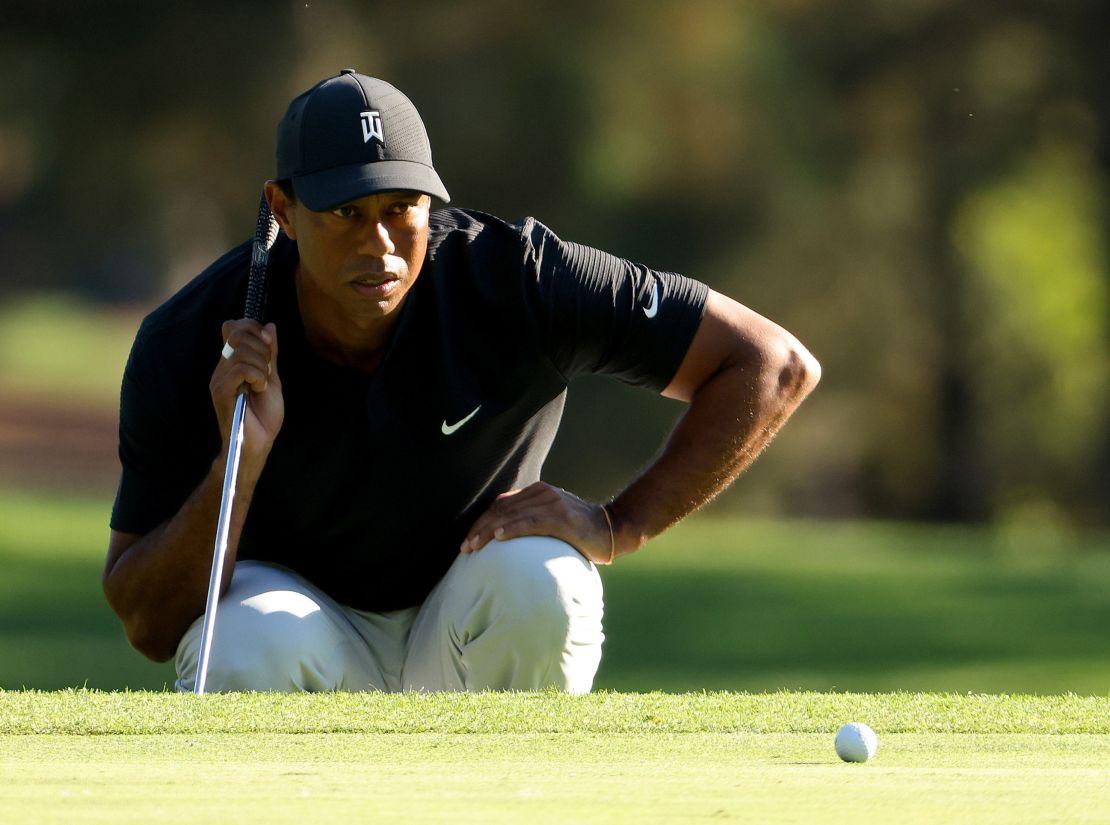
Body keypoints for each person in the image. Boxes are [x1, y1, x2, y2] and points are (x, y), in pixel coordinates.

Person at [102, 70, 820, 694]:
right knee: (243, 641)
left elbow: (771, 363)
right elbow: (148, 623)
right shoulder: (194, 337)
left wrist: (617, 524)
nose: (378, 243)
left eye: (399, 209)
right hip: (302, 635)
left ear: (430, 203)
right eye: (346, 213)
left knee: (540, 579)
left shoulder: (517, 281)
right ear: (284, 210)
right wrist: (241, 459)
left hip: (469, 621)